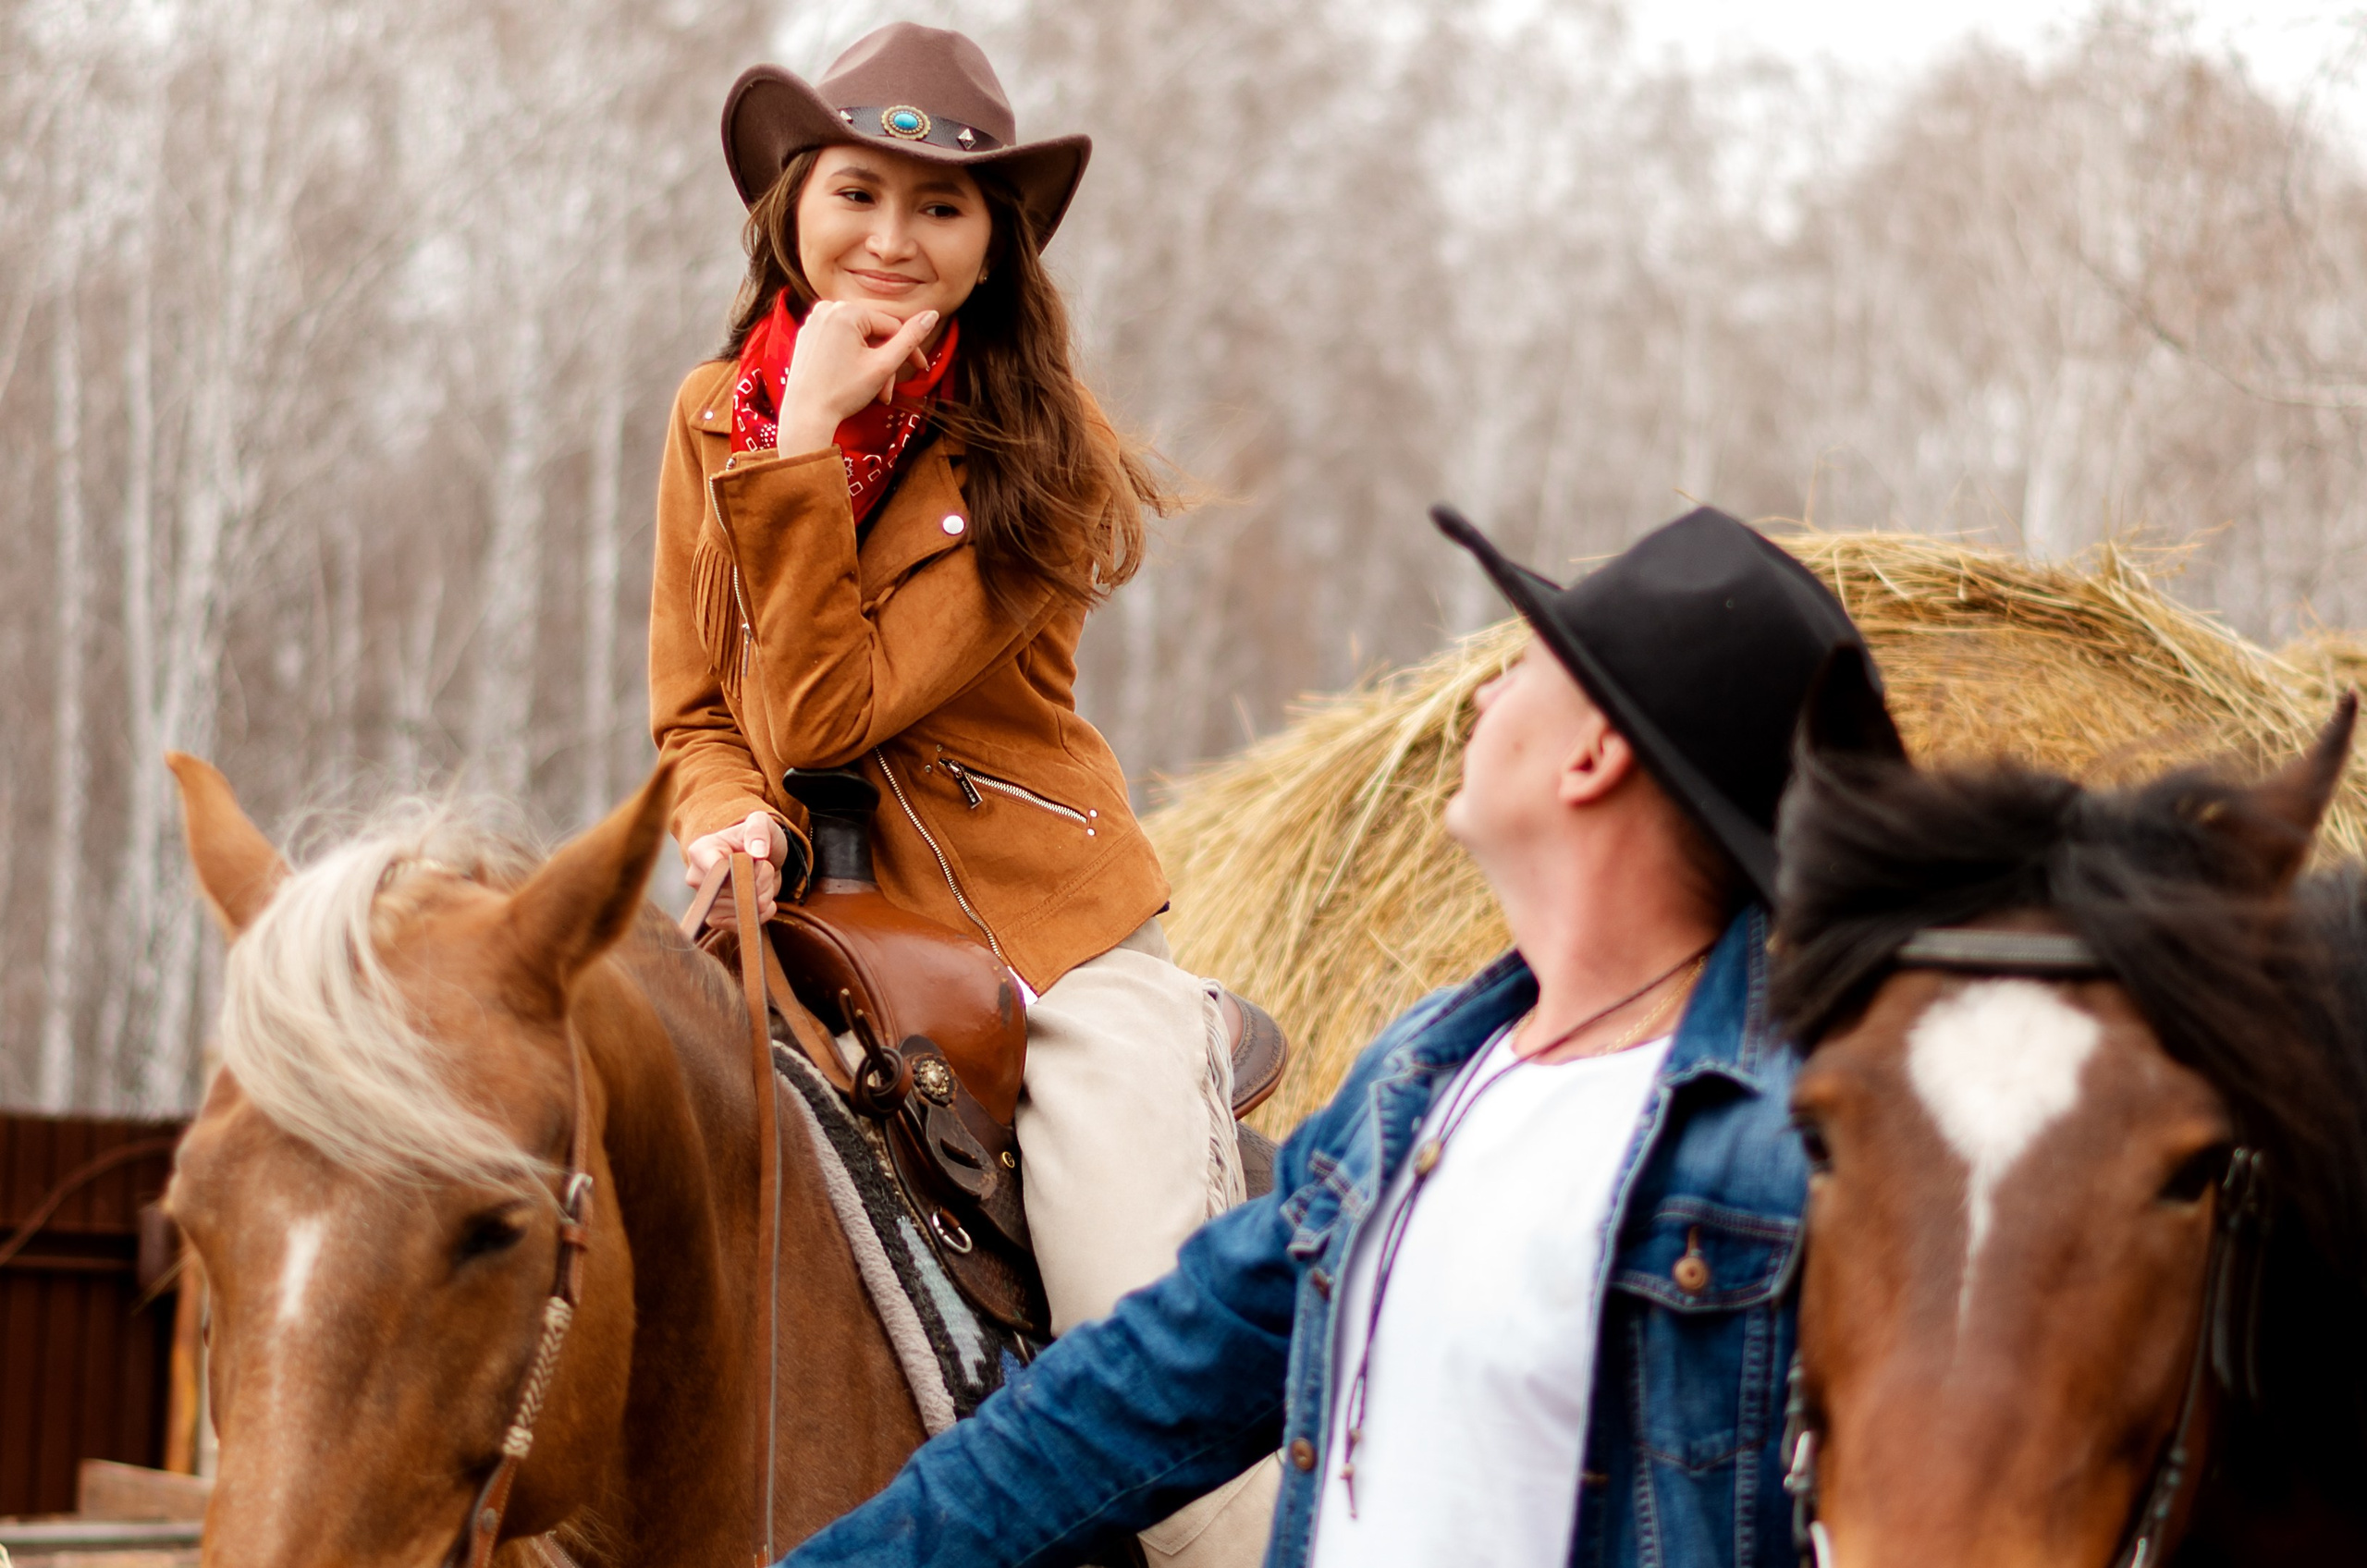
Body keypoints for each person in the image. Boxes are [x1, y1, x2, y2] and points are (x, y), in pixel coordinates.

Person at [784, 505, 1880, 1568]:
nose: (1485, 690)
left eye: (1525, 668)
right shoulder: (1424, 1079)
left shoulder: (1783, 1157)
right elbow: (1130, 1399)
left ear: (1591, 757)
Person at [646, 23, 1277, 1562]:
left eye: (943, 207)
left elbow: (823, 711)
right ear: (793, 205)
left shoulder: (1037, 457)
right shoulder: (705, 411)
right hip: (803, 923)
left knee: (1151, 1380)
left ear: (995, 247)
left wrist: (802, 444)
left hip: (1040, 950)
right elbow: (698, 710)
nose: (892, 238)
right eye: (858, 192)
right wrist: (719, 812)